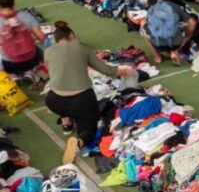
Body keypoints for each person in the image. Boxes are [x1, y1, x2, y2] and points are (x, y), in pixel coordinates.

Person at [44, 21, 136, 163]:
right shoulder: (82, 48)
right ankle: (79, 142)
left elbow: (58, 74)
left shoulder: (48, 51)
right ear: (72, 36)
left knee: (62, 93)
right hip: (81, 101)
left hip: (53, 101)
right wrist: (124, 70)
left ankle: (66, 122)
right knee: (89, 128)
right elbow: (106, 70)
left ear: (56, 40)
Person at [141, 0, 198, 65]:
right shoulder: (173, 6)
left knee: (143, 28)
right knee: (187, 26)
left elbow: (147, 25)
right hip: (177, 43)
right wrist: (188, 33)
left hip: (158, 45)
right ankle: (175, 51)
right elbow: (192, 23)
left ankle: (158, 57)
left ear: (150, 3)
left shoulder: (151, 10)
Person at [0, 0, 45, 75]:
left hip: (8, 64)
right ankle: (30, 71)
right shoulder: (25, 15)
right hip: (31, 61)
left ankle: (11, 75)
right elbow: (42, 37)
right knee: (35, 46)